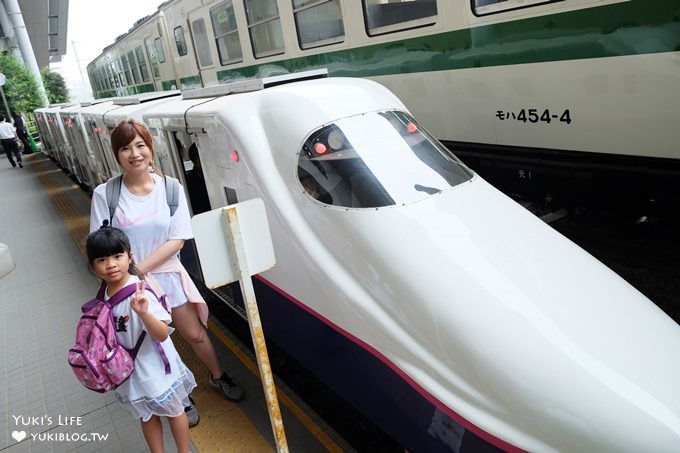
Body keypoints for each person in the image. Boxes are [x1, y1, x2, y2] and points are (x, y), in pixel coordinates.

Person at [89, 119, 245, 428]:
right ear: (116, 154)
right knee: (156, 343)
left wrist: (141, 269)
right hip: (129, 287)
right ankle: (180, 398)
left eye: (140, 145)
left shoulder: (170, 187)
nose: (135, 153)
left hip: (167, 274)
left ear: (150, 147)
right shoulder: (105, 194)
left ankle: (218, 376)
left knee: (194, 333)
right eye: (125, 147)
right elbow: (98, 245)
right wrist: (130, 277)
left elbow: (179, 237)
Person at [85, 222, 195, 453]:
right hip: (128, 370)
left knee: (174, 411)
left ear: (130, 257)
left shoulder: (139, 291)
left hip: (154, 368)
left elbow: (162, 333)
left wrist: (144, 313)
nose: (111, 265)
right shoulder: (105, 291)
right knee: (147, 417)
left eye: (117, 256)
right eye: (102, 260)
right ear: (93, 265)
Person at [185, 143, 211, 214]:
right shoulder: (190, 181)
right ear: (195, 161)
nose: (207, 160)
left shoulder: (213, 173)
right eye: (202, 157)